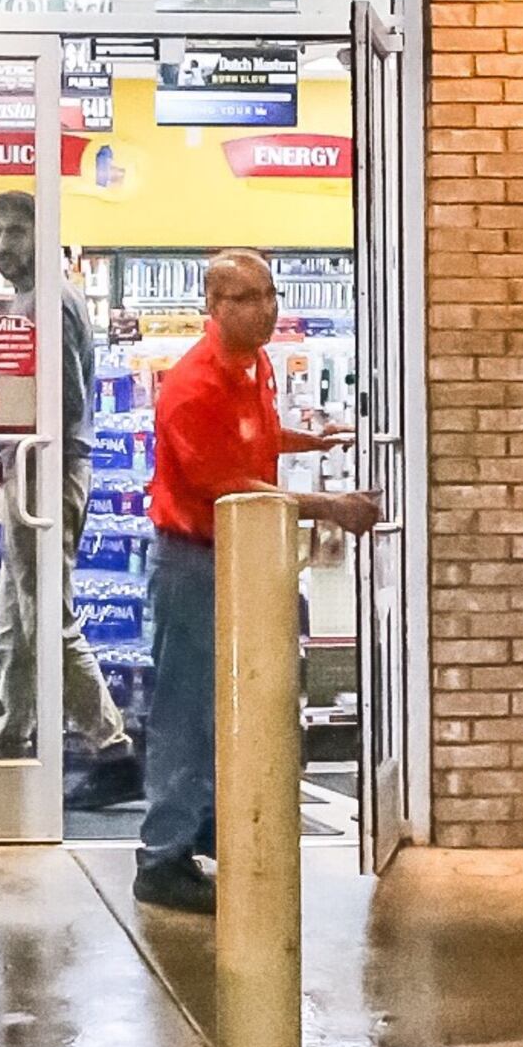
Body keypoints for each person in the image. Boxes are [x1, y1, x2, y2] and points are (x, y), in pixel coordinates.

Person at [131, 250, 378, 917]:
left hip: (239, 557)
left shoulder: (256, 366)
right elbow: (226, 488)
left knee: (224, 703)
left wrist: (314, 444)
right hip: (193, 560)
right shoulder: (192, 385)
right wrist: (332, 507)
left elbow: (257, 439)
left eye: (270, 293)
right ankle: (162, 857)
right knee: (184, 706)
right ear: (213, 306)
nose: (265, 308)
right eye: (247, 297)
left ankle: (204, 822)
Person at [0, 189, 142, 805]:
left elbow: (66, 402)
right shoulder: (29, 300)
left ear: (41, 236)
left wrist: (3, 418)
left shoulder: (47, 303)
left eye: (14, 233)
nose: (2, 246)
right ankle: (11, 736)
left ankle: (110, 745)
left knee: (44, 612)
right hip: (30, 466)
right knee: (14, 617)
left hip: (45, 468)